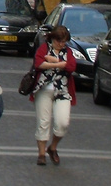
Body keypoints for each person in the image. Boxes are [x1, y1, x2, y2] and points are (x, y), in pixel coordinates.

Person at [30, 25, 76, 166]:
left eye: (64, 42)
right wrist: (60, 63)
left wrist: (52, 61)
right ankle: (41, 153)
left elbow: (72, 66)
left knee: (63, 122)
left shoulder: (68, 51)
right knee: (43, 122)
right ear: (53, 39)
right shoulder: (44, 48)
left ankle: (53, 147)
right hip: (43, 89)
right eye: (59, 41)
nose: (62, 44)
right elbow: (38, 64)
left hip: (62, 91)